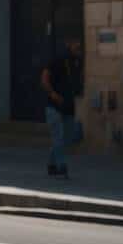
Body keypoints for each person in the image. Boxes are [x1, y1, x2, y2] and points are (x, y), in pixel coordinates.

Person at [41, 39, 83, 178]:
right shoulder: (57, 60)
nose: (78, 48)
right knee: (58, 137)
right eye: (76, 45)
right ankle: (61, 167)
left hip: (68, 106)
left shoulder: (77, 63)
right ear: (69, 45)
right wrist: (53, 94)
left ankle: (52, 164)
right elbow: (44, 78)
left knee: (67, 138)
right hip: (54, 106)